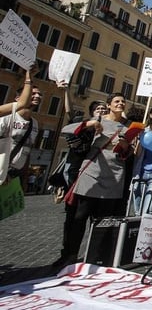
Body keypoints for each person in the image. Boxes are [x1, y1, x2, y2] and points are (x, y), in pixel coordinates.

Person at [53, 111, 134, 268]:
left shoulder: (127, 128)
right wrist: (90, 124)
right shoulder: (96, 121)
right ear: (109, 105)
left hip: (114, 178)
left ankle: (96, 257)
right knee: (79, 217)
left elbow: (128, 156)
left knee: (102, 222)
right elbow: (67, 130)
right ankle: (70, 254)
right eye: (116, 101)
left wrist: (126, 148)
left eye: (122, 102)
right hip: (92, 172)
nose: (120, 104)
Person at [0, 68, 37, 186]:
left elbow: (27, 149)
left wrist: (24, 175)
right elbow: (22, 103)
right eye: (32, 94)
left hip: (14, 175)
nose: (37, 96)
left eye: (39, 94)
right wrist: (28, 77)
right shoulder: (5, 117)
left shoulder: (34, 123)